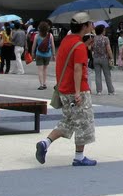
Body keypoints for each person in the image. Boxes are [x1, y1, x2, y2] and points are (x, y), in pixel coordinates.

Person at [35, 12, 98, 167]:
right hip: (78, 90)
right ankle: (79, 157)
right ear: (84, 26)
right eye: (89, 23)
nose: (91, 25)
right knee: (83, 123)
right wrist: (77, 92)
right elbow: (77, 69)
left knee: (68, 120)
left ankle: (45, 143)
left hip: (63, 88)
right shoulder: (79, 46)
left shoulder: (66, 41)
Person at [90, 24, 115, 95]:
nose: (105, 31)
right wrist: (111, 57)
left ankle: (99, 91)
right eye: (104, 30)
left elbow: (91, 48)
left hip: (96, 58)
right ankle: (110, 91)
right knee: (107, 75)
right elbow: (109, 49)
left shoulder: (93, 39)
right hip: (104, 58)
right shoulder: (105, 39)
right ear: (102, 31)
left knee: (97, 75)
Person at [32, 21, 55, 90]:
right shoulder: (50, 35)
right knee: (45, 69)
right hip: (48, 54)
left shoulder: (37, 35)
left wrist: (32, 53)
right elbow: (52, 45)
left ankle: (41, 84)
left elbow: (34, 45)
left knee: (40, 70)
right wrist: (54, 54)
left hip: (39, 54)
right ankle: (44, 83)